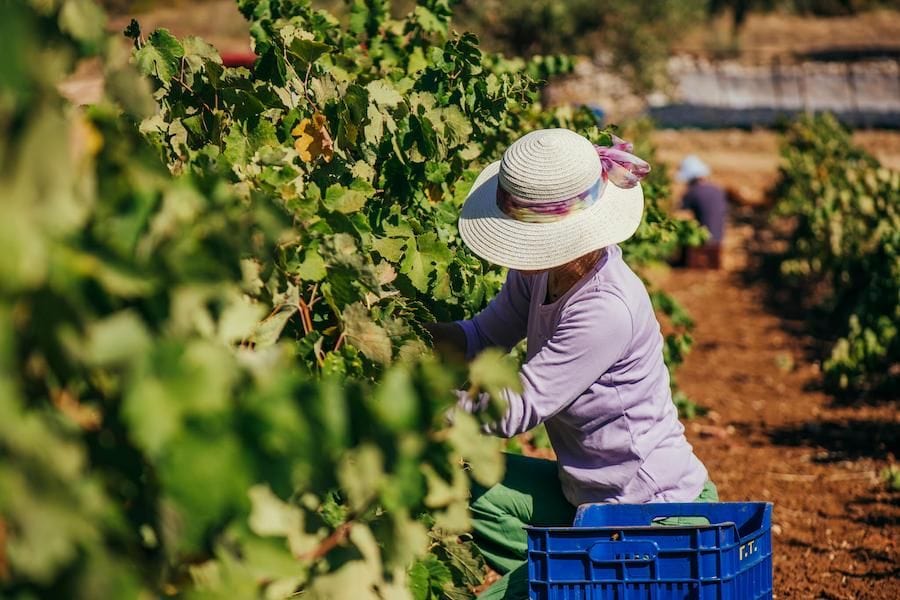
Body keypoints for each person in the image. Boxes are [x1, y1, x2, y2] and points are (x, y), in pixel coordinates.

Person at [427, 129, 717, 599]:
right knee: (460, 487)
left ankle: (565, 582)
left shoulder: (604, 308)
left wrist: (419, 407)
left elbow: (515, 409)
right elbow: (483, 335)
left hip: (649, 512)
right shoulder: (540, 272)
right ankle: (565, 580)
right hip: (583, 494)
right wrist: (410, 336)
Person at [676, 155, 728, 269]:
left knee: (679, 226)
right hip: (718, 239)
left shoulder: (692, 193)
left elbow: (681, 214)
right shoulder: (718, 190)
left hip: (700, 240)